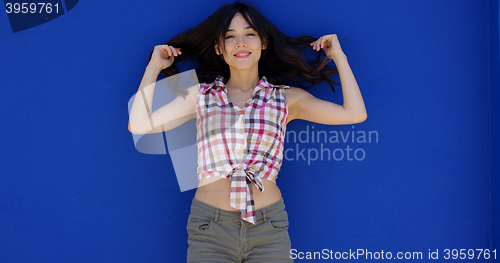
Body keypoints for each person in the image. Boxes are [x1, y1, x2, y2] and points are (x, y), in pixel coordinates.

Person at [128, 2, 366, 262]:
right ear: (219, 48)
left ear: (263, 42)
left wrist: (339, 57)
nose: (240, 42)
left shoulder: (286, 99)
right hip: (210, 227)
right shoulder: (200, 96)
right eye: (230, 36)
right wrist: (154, 67)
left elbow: (354, 114)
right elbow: (139, 124)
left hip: (268, 227)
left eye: (249, 33)